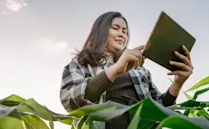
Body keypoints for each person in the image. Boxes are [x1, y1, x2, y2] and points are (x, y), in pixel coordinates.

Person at [60, 11, 193, 129]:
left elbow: (159, 109)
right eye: (115, 28)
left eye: (125, 31)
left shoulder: (140, 70)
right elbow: (69, 101)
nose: (122, 34)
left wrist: (178, 83)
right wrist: (116, 69)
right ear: (101, 31)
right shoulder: (81, 63)